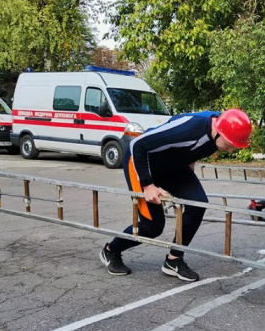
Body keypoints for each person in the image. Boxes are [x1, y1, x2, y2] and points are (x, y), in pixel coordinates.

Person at [99, 109, 252, 281]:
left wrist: (189, 165)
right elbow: (138, 145)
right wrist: (148, 185)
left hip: (172, 165)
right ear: (219, 132)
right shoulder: (191, 127)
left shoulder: (221, 129)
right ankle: (110, 251)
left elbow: (192, 147)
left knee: (198, 203)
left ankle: (174, 260)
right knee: (152, 226)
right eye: (230, 145)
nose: (231, 151)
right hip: (141, 161)